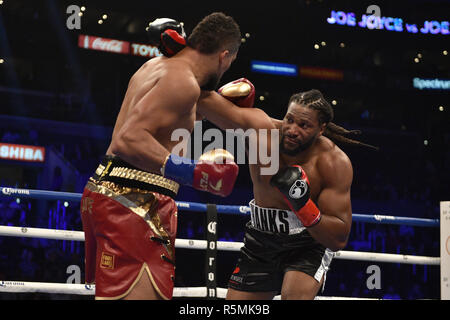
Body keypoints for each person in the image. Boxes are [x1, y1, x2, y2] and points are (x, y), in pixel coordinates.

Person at [79, 13, 242, 300]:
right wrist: (193, 172)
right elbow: (128, 139)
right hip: (133, 201)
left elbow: (166, 123)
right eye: (229, 63)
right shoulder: (183, 81)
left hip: (118, 195)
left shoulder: (157, 67)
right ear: (224, 55)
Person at [198, 80, 377, 300]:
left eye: (303, 125)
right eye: (289, 120)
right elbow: (201, 99)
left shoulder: (332, 162)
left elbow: (338, 238)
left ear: (321, 129)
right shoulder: (262, 132)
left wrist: (303, 206)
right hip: (260, 240)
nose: (292, 130)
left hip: (308, 243)